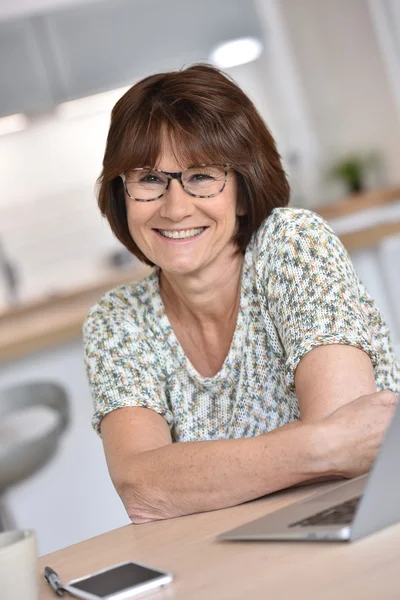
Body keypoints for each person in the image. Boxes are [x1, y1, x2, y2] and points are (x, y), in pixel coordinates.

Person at [83, 64, 399, 524]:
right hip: (228, 560)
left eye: (203, 176)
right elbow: (142, 489)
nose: (174, 208)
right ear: (121, 194)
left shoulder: (292, 244)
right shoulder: (117, 319)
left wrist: (196, 481)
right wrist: (318, 444)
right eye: (148, 179)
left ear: (244, 191)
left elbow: (349, 467)